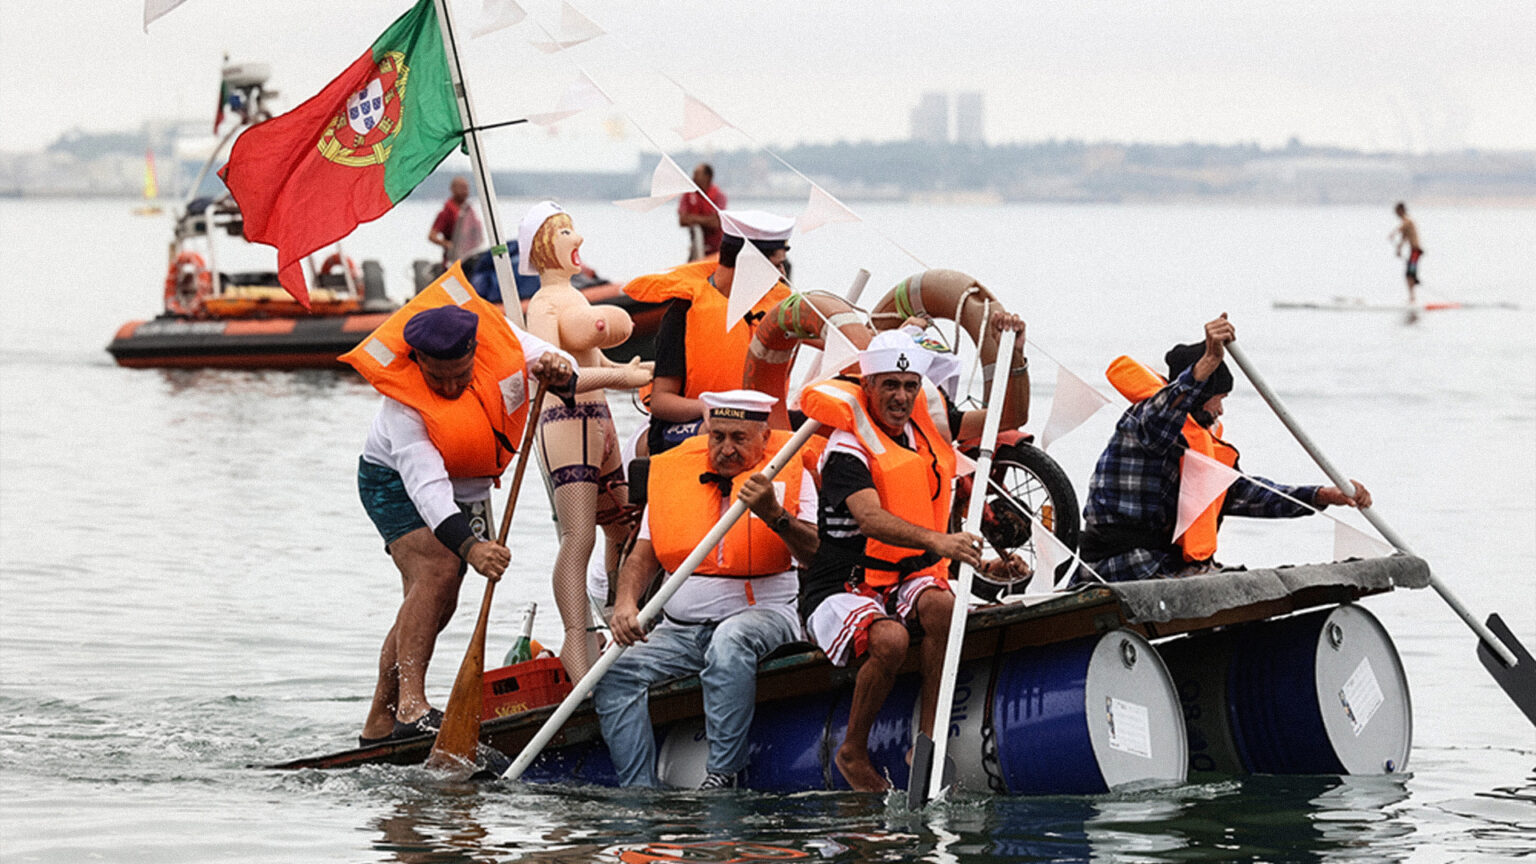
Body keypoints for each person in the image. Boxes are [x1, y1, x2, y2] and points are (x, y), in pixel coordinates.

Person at [797, 319, 1031, 792]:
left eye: (909, 386)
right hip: (844, 580)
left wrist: (1016, 354)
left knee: (942, 606)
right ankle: (852, 751)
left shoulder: (924, 433)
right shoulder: (846, 447)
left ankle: (927, 738)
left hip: (904, 575)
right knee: (891, 641)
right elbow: (871, 519)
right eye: (889, 386)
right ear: (868, 386)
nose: (901, 397)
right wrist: (942, 543)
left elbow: (1012, 415)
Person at [343, 287, 575, 747]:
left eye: (459, 376)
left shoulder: (498, 340)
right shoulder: (403, 405)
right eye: (437, 379)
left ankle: (379, 721)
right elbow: (427, 490)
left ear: (475, 353)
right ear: (418, 363)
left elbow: (550, 357)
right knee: (438, 570)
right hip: (392, 483)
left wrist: (558, 363)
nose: (449, 389)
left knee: (436, 603)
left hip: (467, 486)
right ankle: (411, 707)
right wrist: (472, 548)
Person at [594, 390, 819, 789]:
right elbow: (642, 557)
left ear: (764, 439)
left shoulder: (790, 471)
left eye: (739, 438)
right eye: (718, 436)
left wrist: (775, 515)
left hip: (763, 617)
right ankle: (639, 792)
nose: (726, 449)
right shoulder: (675, 473)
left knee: (729, 642)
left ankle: (723, 774)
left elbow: (815, 556)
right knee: (614, 670)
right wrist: (626, 604)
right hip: (679, 629)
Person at [1077, 314, 1372, 584]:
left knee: (1247, 584)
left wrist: (1322, 495)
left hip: (1165, 564)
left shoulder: (1200, 443)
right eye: (1217, 398)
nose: (1220, 410)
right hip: (1119, 565)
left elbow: (1245, 493)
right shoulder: (1146, 422)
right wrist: (1206, 364)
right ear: (1199, 395)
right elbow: (1167, 407)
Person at [519, 201, 653, 682]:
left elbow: (596, 362)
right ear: (541, 246)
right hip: (565, 416)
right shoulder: (544, 305)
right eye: (564, 233)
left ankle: (620, 615)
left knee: (625, 523)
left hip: (599, 417)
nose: (576, 240)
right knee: (579, 536)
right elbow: (559, 375)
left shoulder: (575, 299)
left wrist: (638, 375)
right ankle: (577, 639)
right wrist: (626, 376)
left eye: (573, 230)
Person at [624, 209, 795, 456]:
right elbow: (661, 401)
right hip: (689, 424)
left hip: (757, 425)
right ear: (749, 265)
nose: (782, 276)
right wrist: (710, 407)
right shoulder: (683, 313)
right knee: (720, 431)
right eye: (777, 266)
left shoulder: (777, 309)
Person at [678, 163, 727, 261]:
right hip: (696, 245)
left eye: (697, 174)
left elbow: (716, 223)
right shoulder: (688, 195)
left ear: (707, 176)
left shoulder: (718, 195)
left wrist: (692, 218)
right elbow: (682, 220)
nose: (694, 177)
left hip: (716, 249)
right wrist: (706, 219)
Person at [428, 177, 480, 268]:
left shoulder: (468, 210)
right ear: (453, 189)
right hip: (452, 260)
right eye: (462, 188)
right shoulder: (446, 213)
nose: (465, 191)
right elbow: (432, 236)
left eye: (466, 188)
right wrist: (447, 244)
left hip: (469, 256)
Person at [1390, 202, 1424, 303]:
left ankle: (1412, 298)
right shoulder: (1405, 224)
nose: (1396, 214)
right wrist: (1398, 249)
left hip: (1416, 251)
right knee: (1409, 274)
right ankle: (1412, 297)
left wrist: (1393, 233)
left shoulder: (1408, 221)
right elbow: (1404, 238)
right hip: (1413, 251)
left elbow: (1404, 226)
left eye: (1397, 212)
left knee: (1409, 274)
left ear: (1401, 211)